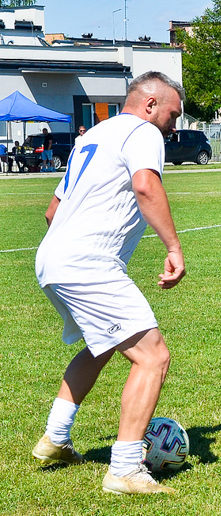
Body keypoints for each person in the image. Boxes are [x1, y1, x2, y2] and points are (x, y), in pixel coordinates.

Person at [31, 72, 187, 495]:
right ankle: (124, 469)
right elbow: (144, 185)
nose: (174, 124)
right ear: (151, 104)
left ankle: (55, 438)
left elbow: (51, 211)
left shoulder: (93, 136)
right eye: (173, 113)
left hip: (52, 257)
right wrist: (173, 247)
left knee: (102, 346)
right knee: (153, 357)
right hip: (88, 261)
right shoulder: (142, 130)